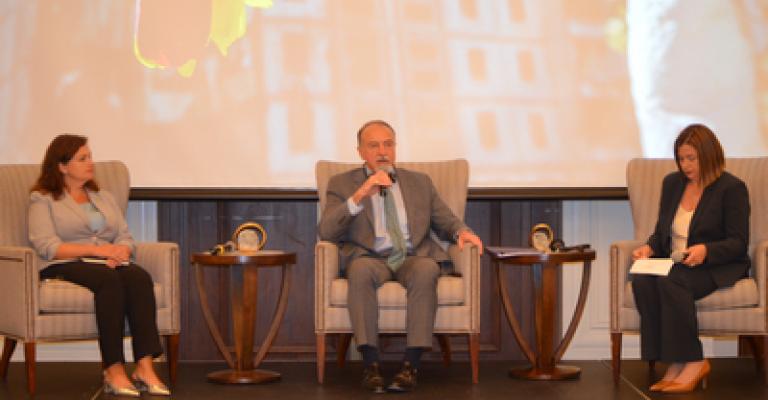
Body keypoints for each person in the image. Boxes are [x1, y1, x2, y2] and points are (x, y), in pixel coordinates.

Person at [318, 120, 483, 393]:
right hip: (370, 257)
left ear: (395, 147)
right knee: (359, 270)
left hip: (411, 255)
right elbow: (326, 231)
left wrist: (463, 232)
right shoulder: (342, 183)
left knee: (426, 269)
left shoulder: (420, 182)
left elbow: (445, 219)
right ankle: (371, 365)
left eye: (388, 144)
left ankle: (410, 365)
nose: (382, 151)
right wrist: (360, 194)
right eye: (374, 145)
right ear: (360, 152)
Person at [27, 134, 170, 397]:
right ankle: (113, 369)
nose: (90, 162)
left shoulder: (102, 197)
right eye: (82, 158)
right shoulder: (43, 199)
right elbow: (47, 246)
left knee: (138, 277)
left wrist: (121, 250)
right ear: (62, 166)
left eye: (90, 156)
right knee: (109, 280)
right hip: (64, 262)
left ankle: (144, 366)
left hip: (103, 261)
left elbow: (124, 235)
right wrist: (97, 250)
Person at [631, 124, 750, 394]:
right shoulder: (672, 184)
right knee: (642, 279)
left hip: (717, 265)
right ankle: (673, 362)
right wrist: (648, 248)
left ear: (708, 155)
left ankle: (695, 361)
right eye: (681, 158)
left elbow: (738, 242)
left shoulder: (732, 188)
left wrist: (706, 250)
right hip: (677, 262)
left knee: (672, 280)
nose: (685, 165)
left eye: (691, 158)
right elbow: (662, 232)